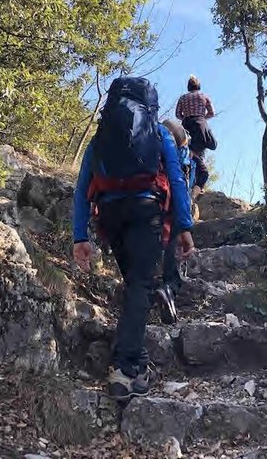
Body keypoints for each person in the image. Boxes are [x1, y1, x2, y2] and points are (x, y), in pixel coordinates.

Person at [73, 77, 195, 402]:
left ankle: (137, 360)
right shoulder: (158, 133)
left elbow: (82, 187)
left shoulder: (100, 140)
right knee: (140, 285)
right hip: (145, 210)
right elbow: (177, 179)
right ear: (150, 105)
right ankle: (123, 369)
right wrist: (184, 225)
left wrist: (79, 235)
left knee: (135, 285)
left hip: (109, 216)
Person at [156, 119, 209, 324]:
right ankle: (169, 288)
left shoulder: (152, 134)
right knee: (175, 243)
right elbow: (187, 179)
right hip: (172, 200)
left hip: (146, 196)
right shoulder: (185, 149)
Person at [175, 75, 217, 194]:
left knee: (186, 154)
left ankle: (188, 181)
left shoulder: (183, 98)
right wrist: (202, 117)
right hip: (200, 125)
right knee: (200, 153)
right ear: (198, 86)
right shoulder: (204, 97)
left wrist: (186, 117)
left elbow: (178, 114)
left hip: (186, 126)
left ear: (188, 86)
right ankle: (198, 186)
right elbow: (212, 112)